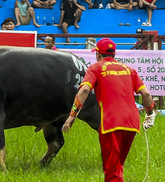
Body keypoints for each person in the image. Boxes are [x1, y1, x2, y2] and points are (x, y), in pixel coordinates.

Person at [62, 38, 155, 182]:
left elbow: (84, 90)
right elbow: (146, 94)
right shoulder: (129, 70)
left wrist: (72, 116)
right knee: (118, 164)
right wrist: (150, 114)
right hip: (132, 123)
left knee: (111, 168)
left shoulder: (96, 68)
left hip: (111, 122)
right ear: (114, 54)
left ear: (98, 54)